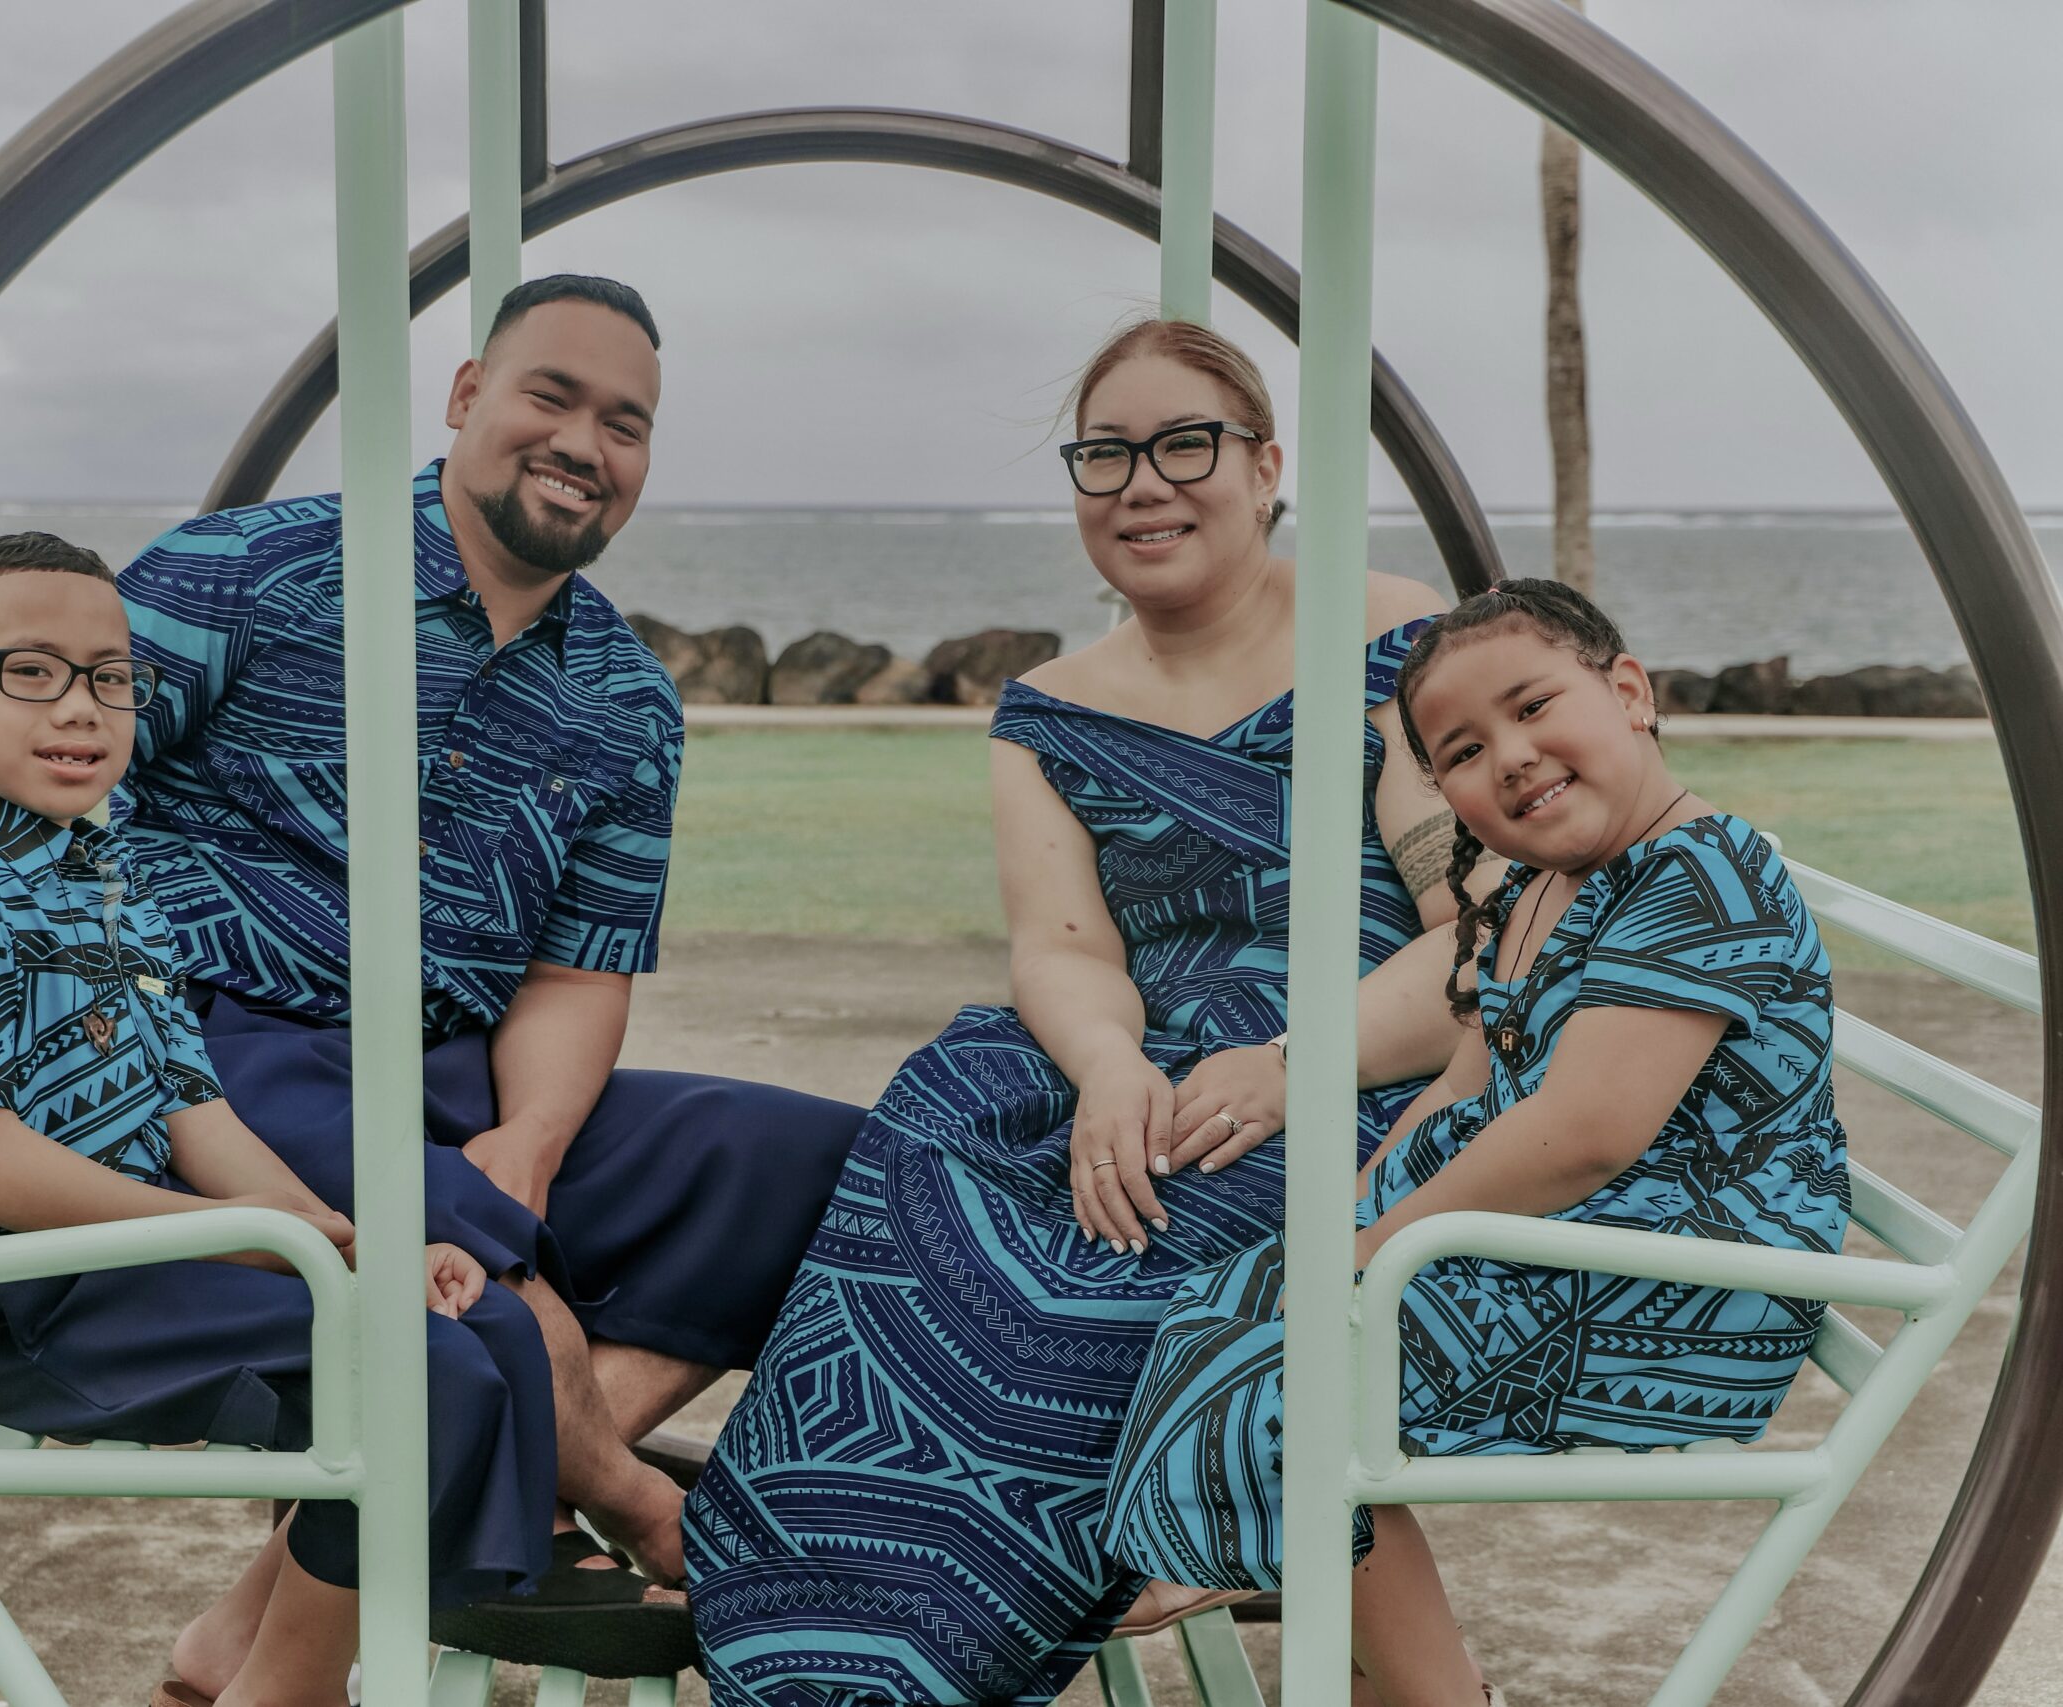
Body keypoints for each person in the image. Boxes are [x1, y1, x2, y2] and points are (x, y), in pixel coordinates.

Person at [0, 276, 868, 1696]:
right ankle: (605, 1506)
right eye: (550, 396)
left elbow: (578, 969)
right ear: (466, 398)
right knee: (487, 1293)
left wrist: (525, 1141)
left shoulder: (628, 700)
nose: (583, 442)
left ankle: (332, 1578)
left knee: (822, 1171)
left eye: (624, 424)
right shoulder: (256, 571)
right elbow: (21, 722)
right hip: (233, 1038)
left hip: (455, 1065)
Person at [682, 319, 1492, 1706]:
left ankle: (940, 1649)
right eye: (1105, 454)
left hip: (1361, 1068)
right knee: (926, 1214)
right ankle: (811, 1635)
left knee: (1068, 1311)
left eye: (1185, 445)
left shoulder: (1388, 634)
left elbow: (1473, 931)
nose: (1142, 483)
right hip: (1139, 1069)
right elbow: (1061, 948)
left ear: (1265, 467)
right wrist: (1110, 1066)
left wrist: (1295, 1062)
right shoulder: (1048, 713)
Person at [0, 533, 527, 1707]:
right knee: (420, 1375)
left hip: (140, 1260)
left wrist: (337, 1239)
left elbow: (188, 1095)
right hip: (41, 1297)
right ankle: (284, 1690)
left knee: (479, 1324)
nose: (79, 707)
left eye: (111, 677)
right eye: (30, 670)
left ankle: (249, 1657)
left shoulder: (94, 874)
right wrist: (238, 1238)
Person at [1103, 580, 1848, 1707]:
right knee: (1232, 1299)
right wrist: (1350, 1220)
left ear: (1630, 692)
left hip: (1684, 1285)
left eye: (1534, 706)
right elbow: (1462, 1089)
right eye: (1461, 751)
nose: (1510, 756)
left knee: (1303, 1401)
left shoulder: (1698, 875)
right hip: (1564, 1246)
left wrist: (1375, 1255)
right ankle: (1337, 1642)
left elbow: (1582, 1136)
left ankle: (1427, 1685)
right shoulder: (1538, 892)